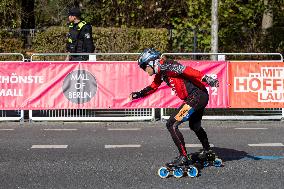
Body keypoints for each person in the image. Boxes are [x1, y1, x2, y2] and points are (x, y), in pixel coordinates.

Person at [129, 48, 219, 167]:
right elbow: (154, 86)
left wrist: (206, 78)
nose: (144, 70)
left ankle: (183, 157)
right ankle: (208, 151)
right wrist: (139, 94)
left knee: (171, 124)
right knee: (194, 126)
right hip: (199, 96)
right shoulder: (161, 72)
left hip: (196, 97)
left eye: (144, 66)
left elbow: (188, 70)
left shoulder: (168, 66)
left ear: (152, 62)